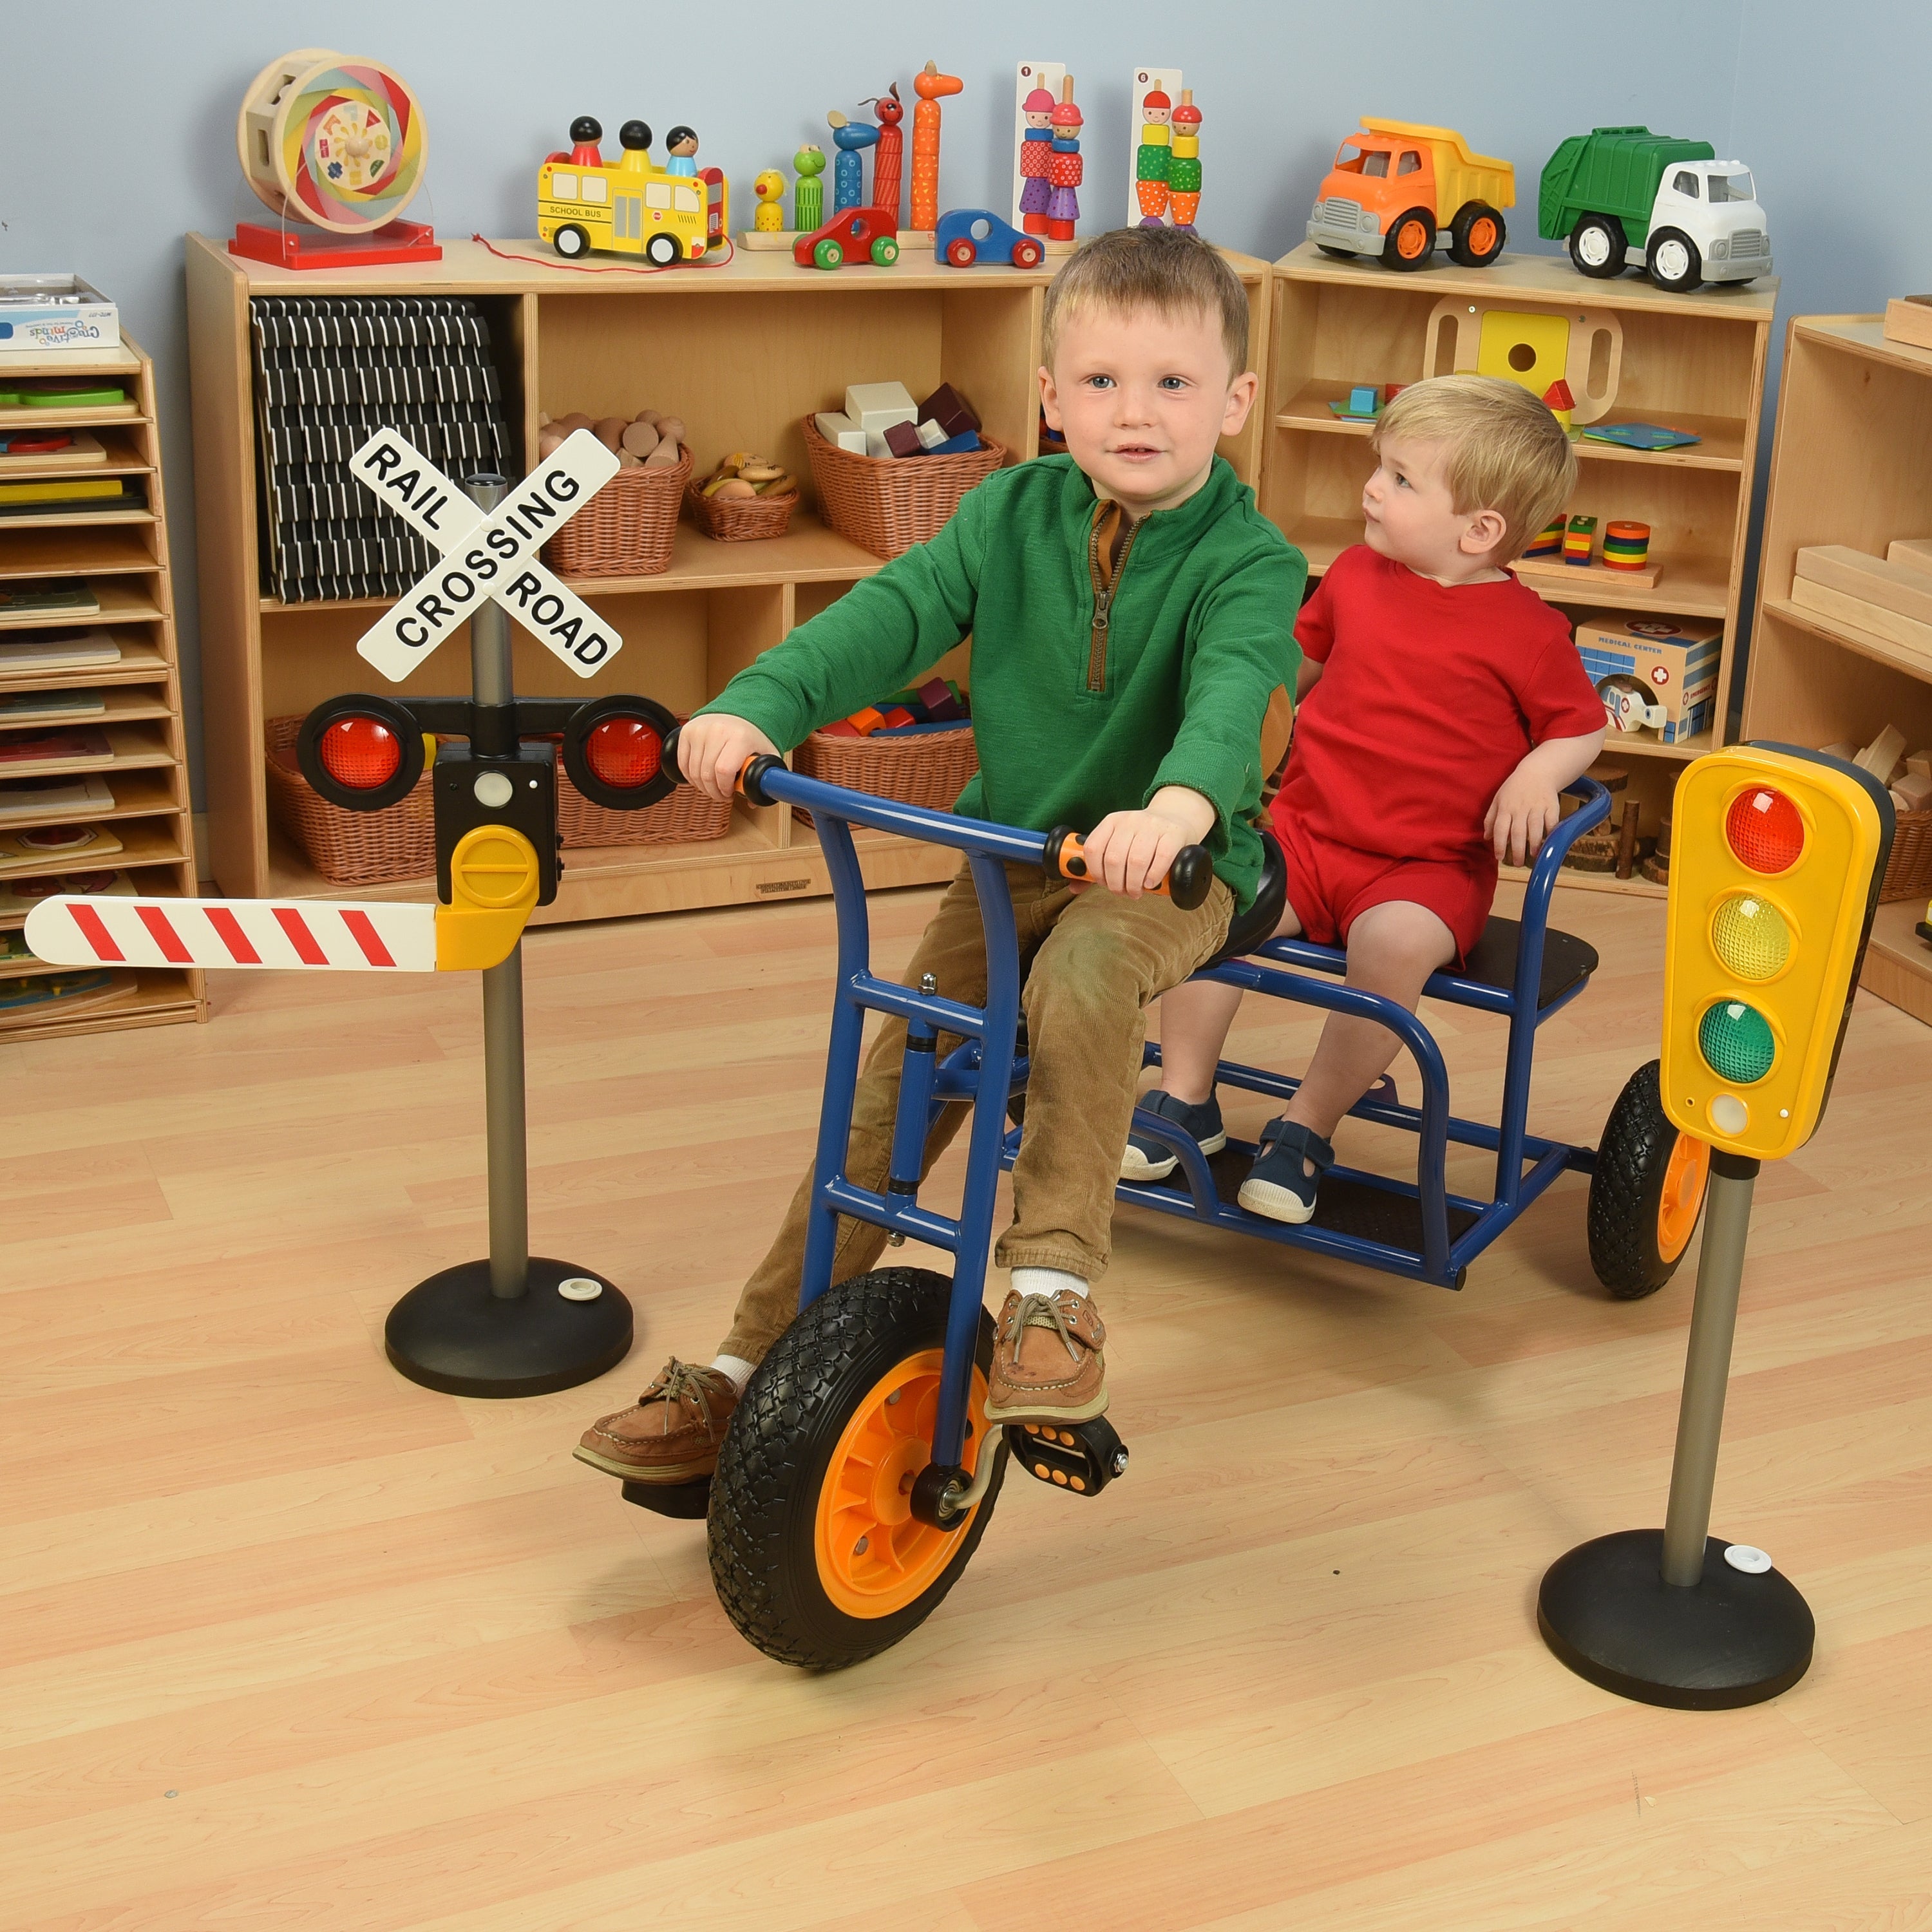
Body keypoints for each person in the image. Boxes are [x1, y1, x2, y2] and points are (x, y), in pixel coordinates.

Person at [576, 228, 1303, 1488]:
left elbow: (1235, 693)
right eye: (1102, 382)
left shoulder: (1250, 561)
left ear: (1235, 401)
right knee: (900, 1068)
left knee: (1083, 982)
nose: (1135, 413)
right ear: (1050, 395)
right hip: (1013, 852)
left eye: (1173, 383)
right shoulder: (1006, 514)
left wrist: (1179, 808)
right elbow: (891, 615)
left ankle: (1054, 1291)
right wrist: (760, 703)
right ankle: (749, 1360)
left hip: (1176, 870)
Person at [1122, 374, 1606, 1224]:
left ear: (1480, 529)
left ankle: (1305, 1129)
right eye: (1380, 467)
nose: (1372, 488)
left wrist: (1537, 775)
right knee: (1208, 905)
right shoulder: (1353, 574)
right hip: (1306, 836)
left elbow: (1582, 728)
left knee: (1392, 949)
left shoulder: (1532, 634)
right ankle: (1185, 1096)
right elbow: (1288, 674)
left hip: (1425, 870)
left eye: (1401, 479)